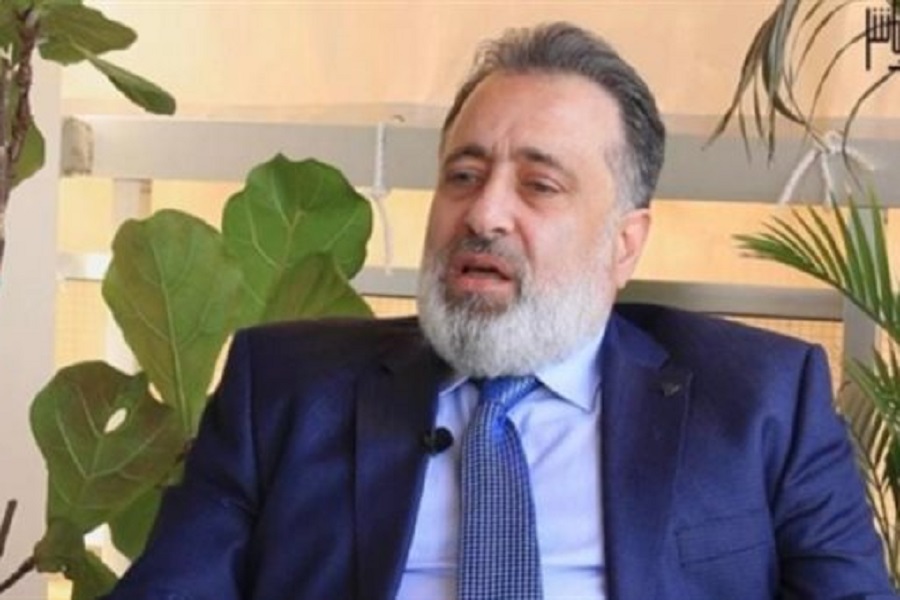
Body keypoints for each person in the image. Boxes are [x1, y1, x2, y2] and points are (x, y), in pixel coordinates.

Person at [105, 22, 896, 600]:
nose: (483, 213)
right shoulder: (281, 389)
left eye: (539, 185)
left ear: (624, 243)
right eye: (463, 175)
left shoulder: (762, 401)